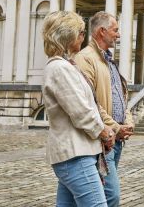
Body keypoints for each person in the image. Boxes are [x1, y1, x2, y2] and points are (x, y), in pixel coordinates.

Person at [42, 11, 115, 207]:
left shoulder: (65, 65)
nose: (84, 37)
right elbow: (80, 111)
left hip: (76, 153)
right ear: (68, 35)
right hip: (75, 155)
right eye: (81, 32)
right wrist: (104, 132)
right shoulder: (60, 68)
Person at [74, 11, 135, 207]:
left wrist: (128, 121)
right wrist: (116, 127)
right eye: (115, 30)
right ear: (102, 31)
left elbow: (120, 94)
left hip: (114, 140)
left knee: (96, 196)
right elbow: (90, 102)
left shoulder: (108, 59)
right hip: (101, 140)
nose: (118, 35)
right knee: (110, 196)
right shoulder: (85, 58)